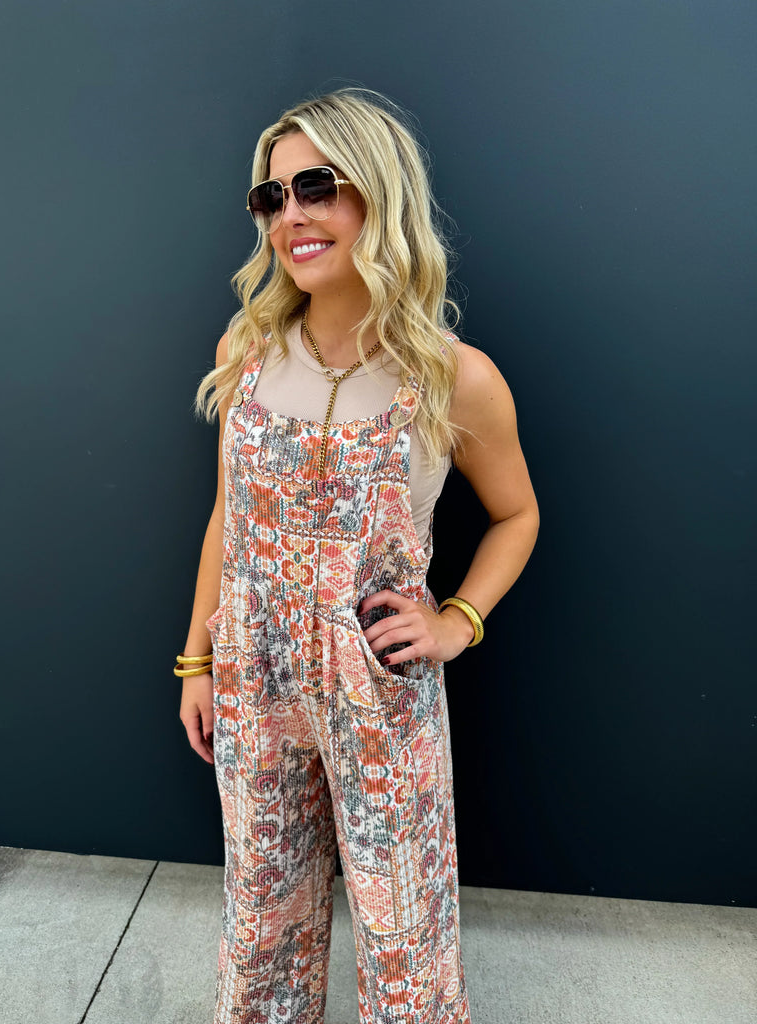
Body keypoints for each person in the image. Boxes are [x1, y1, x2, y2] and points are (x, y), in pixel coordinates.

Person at [178, 88, 539, 1024]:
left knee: (403, 932)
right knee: (260, 917)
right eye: (272, 197)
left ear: (377, 193)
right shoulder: (246, 351)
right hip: (255, 678)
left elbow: (517, 515)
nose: (291, 215)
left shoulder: (451, 377)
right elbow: (227, 517)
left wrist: (457, 621)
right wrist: (197, 660)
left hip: (378, 690)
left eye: (317, 187)